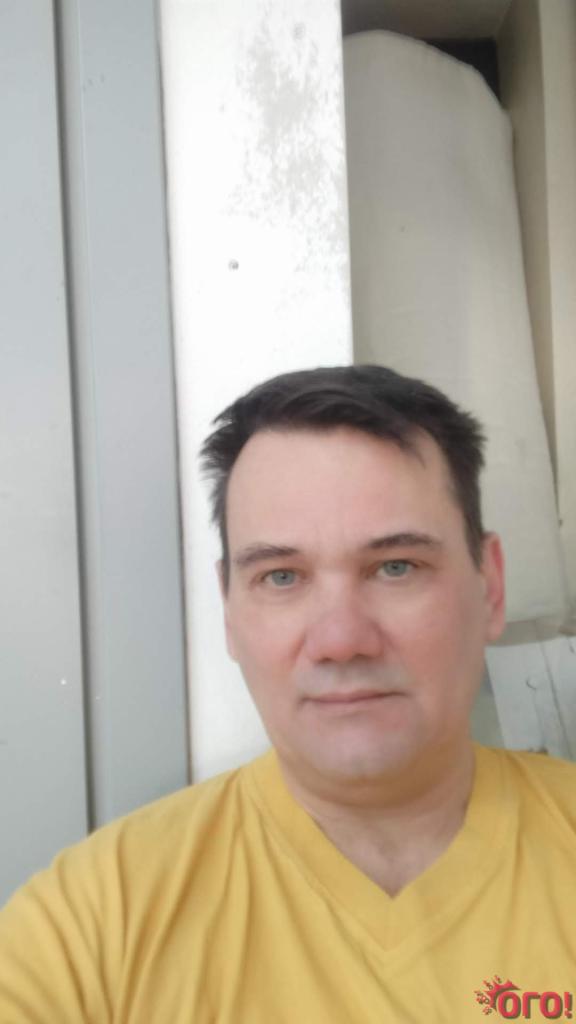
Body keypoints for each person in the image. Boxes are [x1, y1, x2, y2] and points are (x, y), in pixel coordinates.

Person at [1, 364, 575, 1023]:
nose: (341, 640)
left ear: (490, 588)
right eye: (281, 577)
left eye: (396, 567)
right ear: (229, 610)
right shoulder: (92, 927)